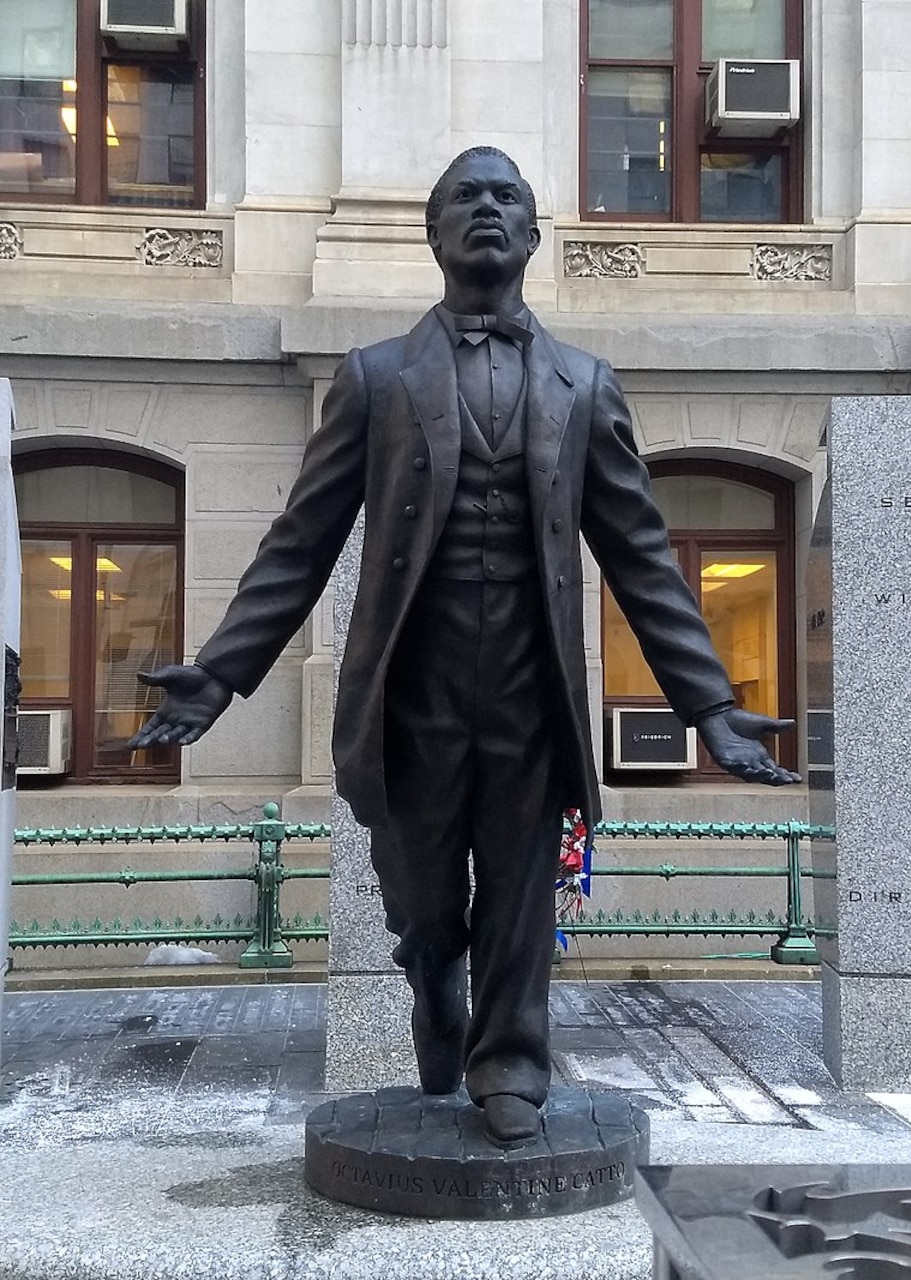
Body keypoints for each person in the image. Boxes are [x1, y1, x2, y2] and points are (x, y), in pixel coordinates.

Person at [131, 147, 800, 1147]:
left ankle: (512, 1063)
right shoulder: (375, 379)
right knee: (427, 904)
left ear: (533, 234)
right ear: (433, 234)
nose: (485, 210)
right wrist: (223, 669)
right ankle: (433, 980)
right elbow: (301, 540)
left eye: (506, 197)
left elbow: (643, 557)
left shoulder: (585, 386)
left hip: (533, 688)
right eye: (463, 198)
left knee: (523, 890)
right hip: (414, 689)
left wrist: (707, 703)